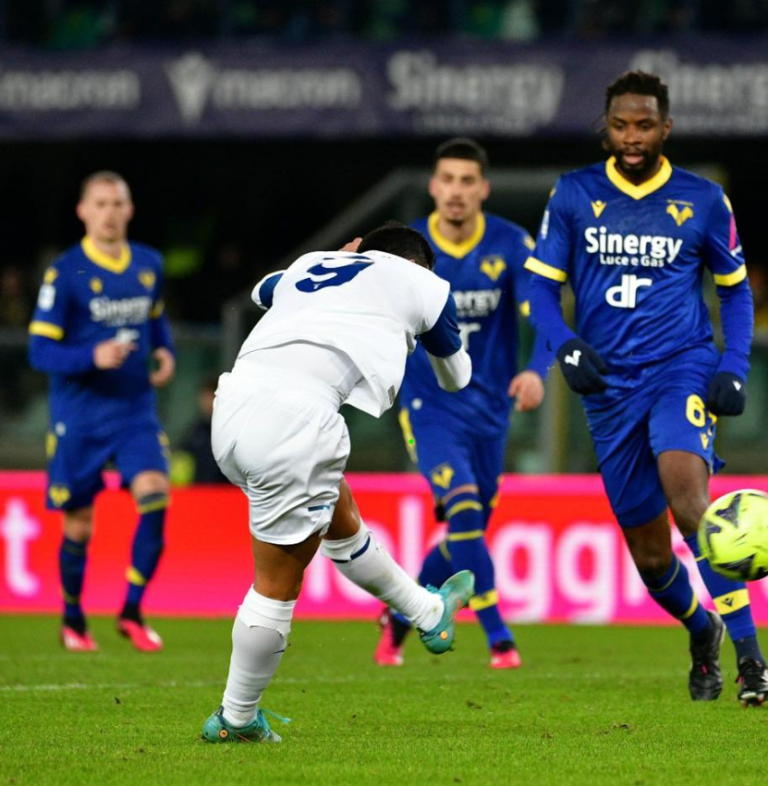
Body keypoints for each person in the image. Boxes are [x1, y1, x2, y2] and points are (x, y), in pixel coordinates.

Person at [526, 70, 768, 706]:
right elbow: (540, 289)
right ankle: (702, 628)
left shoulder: (704, 200)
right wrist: (566, 344)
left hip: (679, 366)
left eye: (644, 125)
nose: (631, 137)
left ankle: (752, 660)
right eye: (620, 125)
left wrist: (732, 365)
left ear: (666, 128)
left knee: (689, 497)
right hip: (608, 386)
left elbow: (735, 291)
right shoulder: (573, 193)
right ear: (605, 129)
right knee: (652, 558)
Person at [202, 222, 476, 743]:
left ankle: (427, 612)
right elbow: (456, 378)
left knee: (339, 510)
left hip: (233, 406)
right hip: (296, 420)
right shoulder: (423, 282)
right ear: (416, 264)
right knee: (277, 584)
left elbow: (262, 291)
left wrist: (344, 259)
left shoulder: (312, 264)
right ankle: (237, 719)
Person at [375, 138, 551, 670]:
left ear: (483, 189)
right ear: (433, 186)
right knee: (466, 507)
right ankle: (499, 637)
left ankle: (399, 619)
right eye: (447, 180)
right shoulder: (406, 250)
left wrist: (536, 370)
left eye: (467, 181)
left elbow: (542, 312)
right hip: (428, 407)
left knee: (464, 532)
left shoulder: (511, 243)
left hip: (490, 411)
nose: (456, 191)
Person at [28, 171, 175, 653]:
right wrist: (91, 356)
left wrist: (165, 351)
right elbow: (39, 351)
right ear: (83, 211)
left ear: (129, 209)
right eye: (100, 204)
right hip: (80, 416)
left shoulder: (149, 264)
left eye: (116, 203)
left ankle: (131, 610)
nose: (109, 213)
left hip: (134, 411)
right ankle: (73, 617)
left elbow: (155, 320)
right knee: (78, 525)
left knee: (155, 496)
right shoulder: (65, 273)